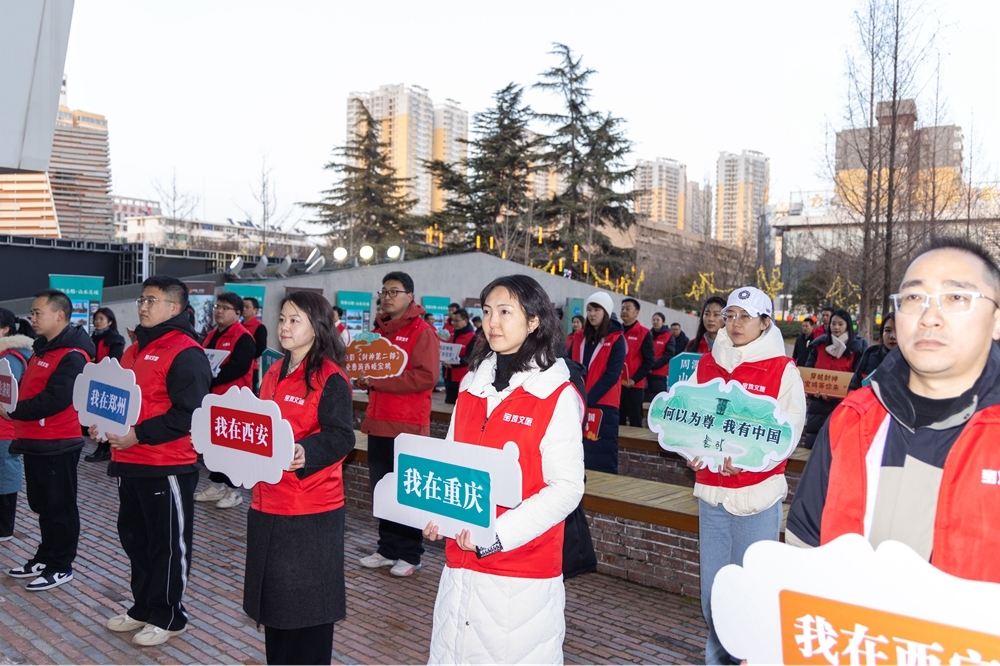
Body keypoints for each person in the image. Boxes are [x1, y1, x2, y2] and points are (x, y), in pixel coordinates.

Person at [787, 237, 1000, 584]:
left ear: (996, 320)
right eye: (914, 298)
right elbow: (804, 548)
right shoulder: (852, 419)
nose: (930, 317)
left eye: (956, 297)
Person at [423, 274, 585, 664]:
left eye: (505, 312)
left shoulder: (555, 394)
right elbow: (451, 462)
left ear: (534, 321)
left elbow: (566, 489)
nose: (492, 322)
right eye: (487, 312)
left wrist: (496, 535)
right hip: (460, 564)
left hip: (518, 573)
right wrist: (436, 513)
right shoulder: (471, 387)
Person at [686, 286, 806, 665]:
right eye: (730, 315)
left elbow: (789, 431)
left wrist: (751, 461)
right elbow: (686, 413)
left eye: (745, 316)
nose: (735, 324)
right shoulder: (707, 362)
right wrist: (692, 451)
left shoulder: (781, 369)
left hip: (755, 497)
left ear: (765, 322)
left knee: (749, 595)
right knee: (713, 596)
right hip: (712, 494)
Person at [93, 275, 212, 646]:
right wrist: (103, 424)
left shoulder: (185, 351)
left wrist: (138, 434)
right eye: (141, 299)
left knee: (167, 545)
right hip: (128, 461)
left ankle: (170, 615)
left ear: (173, 308)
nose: (142, 305)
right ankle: (143, 607)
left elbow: (189, 413)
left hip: (167, 464)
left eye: (151, 300)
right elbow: (119, 399)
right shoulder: (133, 350)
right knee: (135, 539)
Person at [243, 291, 355, 665]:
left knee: (307, 611)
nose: (285, 327)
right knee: (275, 607)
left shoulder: (330, 377)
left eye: (295, 320)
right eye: (282, 319)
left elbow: (341, 435)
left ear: (317, 327)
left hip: (309, 510)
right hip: (267, 501)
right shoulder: (273, 370)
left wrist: (306, 452)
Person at [1, 290, 94, 592]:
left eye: (38, 312)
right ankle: (45, 556)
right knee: (43, 505)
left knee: (60, 506)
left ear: (60, 315)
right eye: (32, 311)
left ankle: (61, 565)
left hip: (58, 441)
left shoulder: (73, 355)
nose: (33, 317)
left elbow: (56, 399)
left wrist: (14, 410)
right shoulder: (43, 349)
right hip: (35, 440)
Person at [356, 271, 440, 577]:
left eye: (394, 291)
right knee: (383, 490)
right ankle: (387, 549)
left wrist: (379, 381)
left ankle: (410, 554)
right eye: (384, 291)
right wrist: (366, 379)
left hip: (408, 426)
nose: (387, 297)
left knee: (407, 492)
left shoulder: (422, 332)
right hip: (379, 421)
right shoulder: (378, 332)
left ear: (410, 296)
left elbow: (426, 376)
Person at [194, 292, 256, 509]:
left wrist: (210, 376)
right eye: (217, 307)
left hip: (233, 401)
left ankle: (234, 490)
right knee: (214, 445)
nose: (219, 311)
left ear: (238, 314)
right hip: (213, 399)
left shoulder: (244, 338)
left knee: (232, 447)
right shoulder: (211, 335)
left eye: (225, 308)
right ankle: (216, 484)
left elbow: (238, 367)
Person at [567, 292, 625, 473]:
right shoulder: (578, 337)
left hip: (603, 404)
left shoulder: (616, 338)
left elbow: (612, 374)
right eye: (590, 309)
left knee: (602, 454)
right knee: (579, 452)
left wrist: (589, 398)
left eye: (597, 309)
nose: (592, 314)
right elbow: (569, 366)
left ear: (606, 312)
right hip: (578, 403)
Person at [803, 309, 867, 449]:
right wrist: (813, 392)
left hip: (843, 407)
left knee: (838, 452)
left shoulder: (857, 349)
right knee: (814, 452)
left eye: (840, 324)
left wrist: (840, 395)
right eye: (833, 324)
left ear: (848, 326)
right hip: (818, 407)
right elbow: (808, 373)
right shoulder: (818, 346)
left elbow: (858, 381)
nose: (836, 327)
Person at [0, 310, 35, 542]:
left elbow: (8, 397)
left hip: (6, 429)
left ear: (4, 330)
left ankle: (4, 528)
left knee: (5, 474)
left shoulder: (12, 356)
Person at [84, 307, 127, 463]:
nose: (97, 322)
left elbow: (115, 361)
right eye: (96, 319)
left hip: (108, 381)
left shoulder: (115, 339)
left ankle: (105, 449)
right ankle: (100, 447)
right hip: (94, 380)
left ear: (110, 321)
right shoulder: (92, 338)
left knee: (106, 416)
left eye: (101, 319)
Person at [619, 298, 654, 427]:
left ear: (636, 312)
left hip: (635, 386)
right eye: (622, 308)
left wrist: (634, 379)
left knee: (635, 421)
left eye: (628, 309)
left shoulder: (644, 333)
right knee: (618, 420)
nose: (624, 311)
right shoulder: (616, 331)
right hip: (617, 385)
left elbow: (649, 361)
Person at [847, 313, 897, 392]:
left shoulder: (915, 362)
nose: (892, 336)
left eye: (899, 331)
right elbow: (854, 387)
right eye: (887, 330)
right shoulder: (871, 354)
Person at [442, 308, 475, 405]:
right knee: (448, 403)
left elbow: (469, 358)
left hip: (462, 377)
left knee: (461, 405)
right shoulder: (452, 334)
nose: (454, 323)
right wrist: (444, 360)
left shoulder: (472, 337)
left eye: (457, 321)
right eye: (453, 321)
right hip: (448, 375)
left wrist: (452, 364)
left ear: (465, 320)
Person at [646, 312, 676, 401]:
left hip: (660, 374)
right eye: (654, 320)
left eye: (658, 320)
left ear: (663, 322)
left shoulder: (669, 336)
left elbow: (669, 354)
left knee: (658, 400)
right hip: (646, 374)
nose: (655, 322)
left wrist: (653, 365)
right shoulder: (648, 334)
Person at [241, 297, 268, 393]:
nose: (244, 309)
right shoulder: (238, 326)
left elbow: (261, 348)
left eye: (247, 307)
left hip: (252, 368)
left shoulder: (260, 327)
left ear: (255, 310)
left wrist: (245, 357)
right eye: (242, 306)